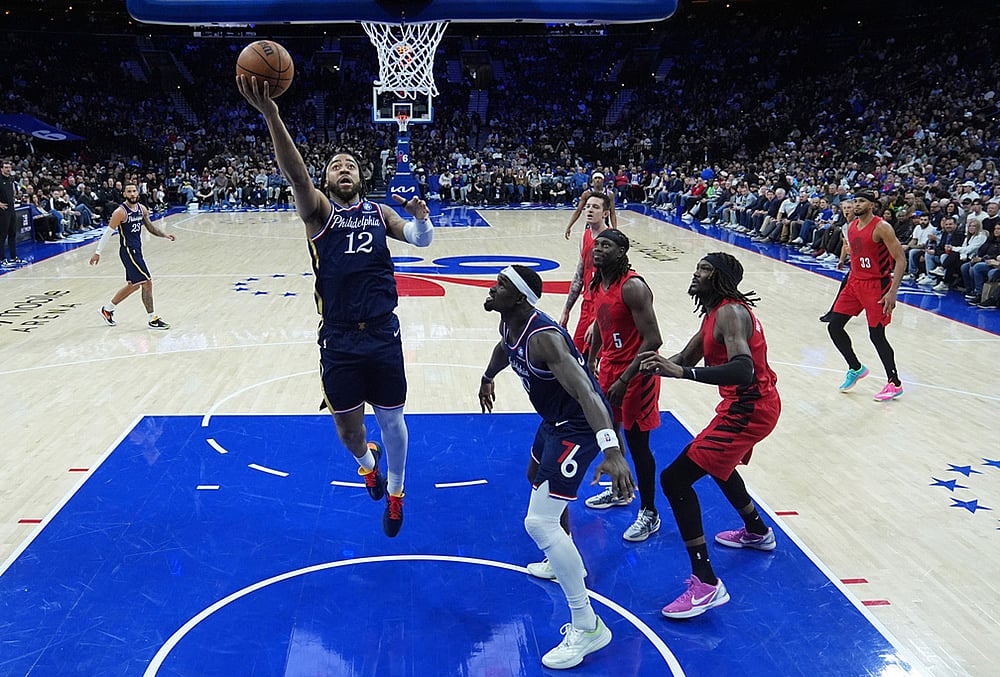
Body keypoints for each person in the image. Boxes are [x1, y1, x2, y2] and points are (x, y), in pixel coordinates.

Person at [238, 73, 434, 537]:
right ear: (325, 179)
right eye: (335, 165)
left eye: (351, 164)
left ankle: (397, 494)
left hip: (383, 332)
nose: (343, 168)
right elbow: (296, 173)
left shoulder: (379, 212)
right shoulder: (319, 213)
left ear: (362, 176)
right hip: (339, 338)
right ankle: (368, 467)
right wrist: (272, 115)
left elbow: (420, 241)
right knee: (350, 433)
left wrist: (422, 221)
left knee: (392, 421)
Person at [478, 264, 635, 670]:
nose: (492, 289)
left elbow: (587, 391)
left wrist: (612, 449)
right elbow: (503, 350)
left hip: (580, 426)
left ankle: (587, 625)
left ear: (520, 297)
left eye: (500, 286)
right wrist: (487, 376)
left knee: (539, 523)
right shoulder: (510, 324)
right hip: (554, 421)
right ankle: (563, 560)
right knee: (537, 481)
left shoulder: (544, 338)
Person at [637, 252, 780, 619]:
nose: (696, 273)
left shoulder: (732, 313)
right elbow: (685, 356)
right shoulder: (715, 314)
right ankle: (757, 531)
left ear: (721, 277)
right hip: (746, 406)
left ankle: (706, 583)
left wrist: (684, 375)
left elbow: (743, 369)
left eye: (704, 269)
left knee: (675, 479)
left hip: (748, 409)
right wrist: (648, 369)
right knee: (717, 464)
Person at [584, 229, 664, 543]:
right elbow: (603, 324)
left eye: (607, 245)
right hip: (610, 369)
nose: (599, 249)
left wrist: (624, 378)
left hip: (637, 373)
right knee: (611, 436)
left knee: (638, 444)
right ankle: (621, 491)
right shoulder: (597, 282)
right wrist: (592, 358)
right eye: (597, 244)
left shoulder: (632, 287)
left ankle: (649, 511)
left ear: (621, 252)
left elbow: (653, 339)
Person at [825, 189, 906, 401]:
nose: (856, 205)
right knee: (834, 326)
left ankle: (894, 383)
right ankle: (856, 368)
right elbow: (857, 252)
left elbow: (900, 259)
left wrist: (892, 292)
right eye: (855, 201)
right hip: (854, 282)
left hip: (876, 285)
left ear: (871, 205)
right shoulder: (851, 226)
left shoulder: (882, 227)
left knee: (876, 335)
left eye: (861, 201)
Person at [89, 182, 175, 329]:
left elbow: (149, 227)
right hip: (128, 251)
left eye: (134, 191)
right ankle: (152, 318)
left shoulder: (142, 209)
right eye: (129, 191)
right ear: (124, 194)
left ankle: (107, 309)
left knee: (134, 285)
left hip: (137, 250)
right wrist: (97, 252)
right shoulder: (120, 212)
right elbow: (108, 233)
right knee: (147, 282)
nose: (132, 194)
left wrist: (164, 235)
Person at [559, 192, 612, 355]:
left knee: (596, 360)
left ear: (605, 214)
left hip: (604, 308)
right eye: (587, 206)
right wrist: (566, 310)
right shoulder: (585, 236)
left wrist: (598, 320)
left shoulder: (612, 241)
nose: (589, 210)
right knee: (577, 356)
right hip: (587, 304)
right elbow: (579, 276)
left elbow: (613, 286)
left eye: (595, 207)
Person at [564, 171, 618, 239]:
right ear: (592, 180)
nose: (597, 180)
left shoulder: (610, 194)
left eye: (599, 178)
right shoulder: (586, 193)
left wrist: (615, 229)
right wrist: (569, 226)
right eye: (596, 178)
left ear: (603, 180)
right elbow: (578, 211)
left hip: (604, 225)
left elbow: (612, 213)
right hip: (590, 226)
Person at [0, 160, 24, 267]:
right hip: (2, 211)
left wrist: (17, 195)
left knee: (12, 234)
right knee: (2, 235)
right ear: (1, 169)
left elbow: (12, 192)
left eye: (9, 167)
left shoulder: (11, 179)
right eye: (6, 167)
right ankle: (2, 259)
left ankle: (13, 257)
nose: (8, 169)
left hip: (11, 209)